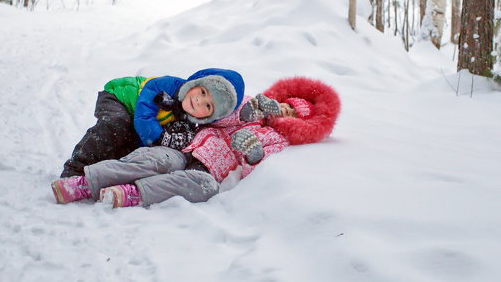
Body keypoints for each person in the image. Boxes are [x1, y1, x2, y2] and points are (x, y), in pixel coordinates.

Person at [50, 76, 340, 209]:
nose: (284, 112)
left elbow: (258, 168)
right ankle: (88, 182)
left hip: (210, 169)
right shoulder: (251, 105)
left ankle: (134, 193)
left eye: (292, 113)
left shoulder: (278, 141)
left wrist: (251, 153)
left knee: (203, 188)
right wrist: (249, 112)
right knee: (155, 160)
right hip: (188, 146)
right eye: (284, 105)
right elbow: (218, 117)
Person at [56, 67, 244, 183]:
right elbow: (144, 115)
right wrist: (156, 137)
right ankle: (76, 167)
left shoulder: (189, 123)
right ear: (195, 83)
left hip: (135, 119)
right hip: (119, 98)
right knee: (116, 124)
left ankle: (103, 169)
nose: (198, 101)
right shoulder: (168, 86)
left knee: (127, 142)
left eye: (208, 105)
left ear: (210, 116)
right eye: (202, 92)